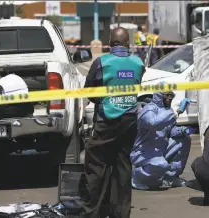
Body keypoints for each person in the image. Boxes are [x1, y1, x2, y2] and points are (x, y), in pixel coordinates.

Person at [82, 27, 145, 218]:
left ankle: (93, 212)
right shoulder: (138, 62)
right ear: (128, 44)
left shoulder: (102, 62)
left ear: (111, 44)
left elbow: (88, 91)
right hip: (130, 121)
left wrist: (104, 101)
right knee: (123, 166)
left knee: (96, 165)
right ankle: (120, 213)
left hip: (106, 122)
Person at [130, 90, 195, 190]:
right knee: (161, 164)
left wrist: (183, 130)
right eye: (166, 95)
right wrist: (177, 113)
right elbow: (153, 124)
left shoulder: (167, 110)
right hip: (143, 151)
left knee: (184, 139)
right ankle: (137, 177)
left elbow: (171, 131)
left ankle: (170, 177)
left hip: (160, 148)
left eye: (171, 95)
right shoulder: (149, 109)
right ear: (158, 96)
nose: (169, 98)